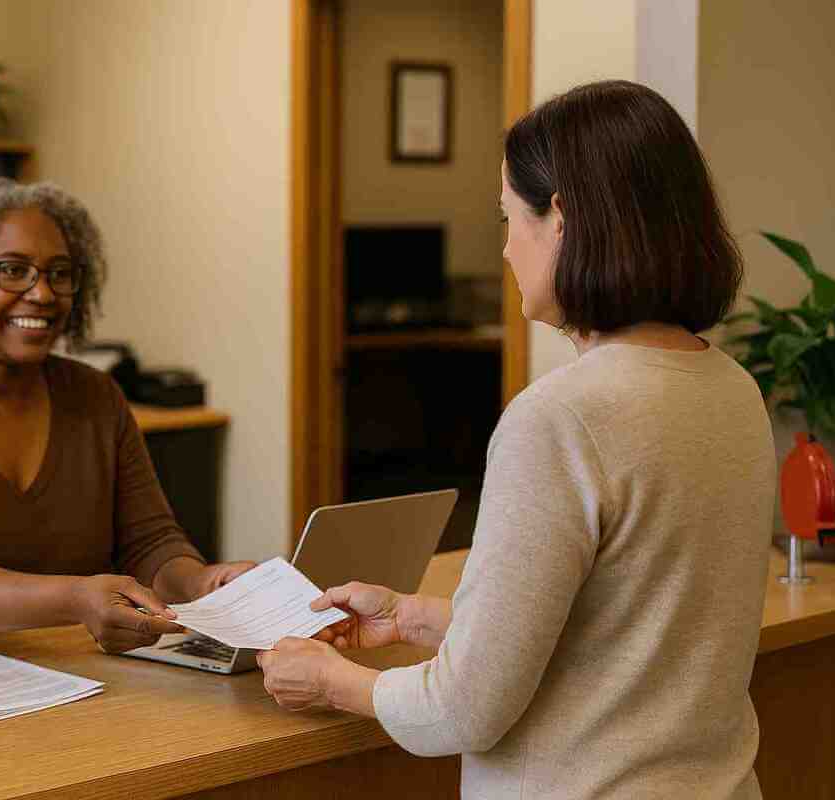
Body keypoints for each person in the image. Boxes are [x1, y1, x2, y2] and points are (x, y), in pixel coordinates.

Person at [257, 80, 775, 799]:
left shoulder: (561, 417)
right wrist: (417, 616)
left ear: (560, 218)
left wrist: (331, 682)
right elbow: (627, 638)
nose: (504, 250)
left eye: (508, 218)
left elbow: (462, 711)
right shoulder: (733, 390)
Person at [0, 177, 253, 652]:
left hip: (59, 668)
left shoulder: (96, 396)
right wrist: (76, 598)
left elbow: (150, 542)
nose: (43, 293)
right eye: (13, 270)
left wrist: (203, 583)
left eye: (60, 273)